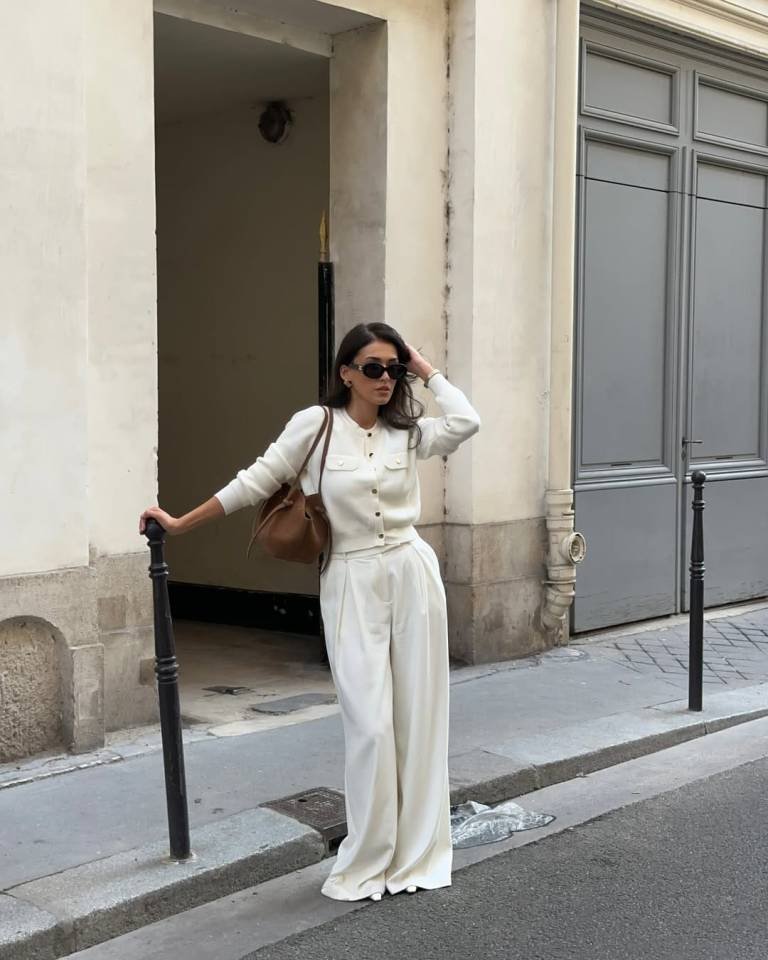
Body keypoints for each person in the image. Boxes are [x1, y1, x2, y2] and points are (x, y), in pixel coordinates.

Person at [140, 322, 481, 902]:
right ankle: (371, 852)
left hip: (411, 574)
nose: (384, 379)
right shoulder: (316, 425)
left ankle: (416, 850)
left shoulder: (409, 432)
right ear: (345, 372)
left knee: (419, 718)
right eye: (372, 367)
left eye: (393, 369)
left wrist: (425, 367)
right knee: (371, 726)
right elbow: (255, 481)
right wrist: (179, 523)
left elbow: (467, 421)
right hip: (350, 580)